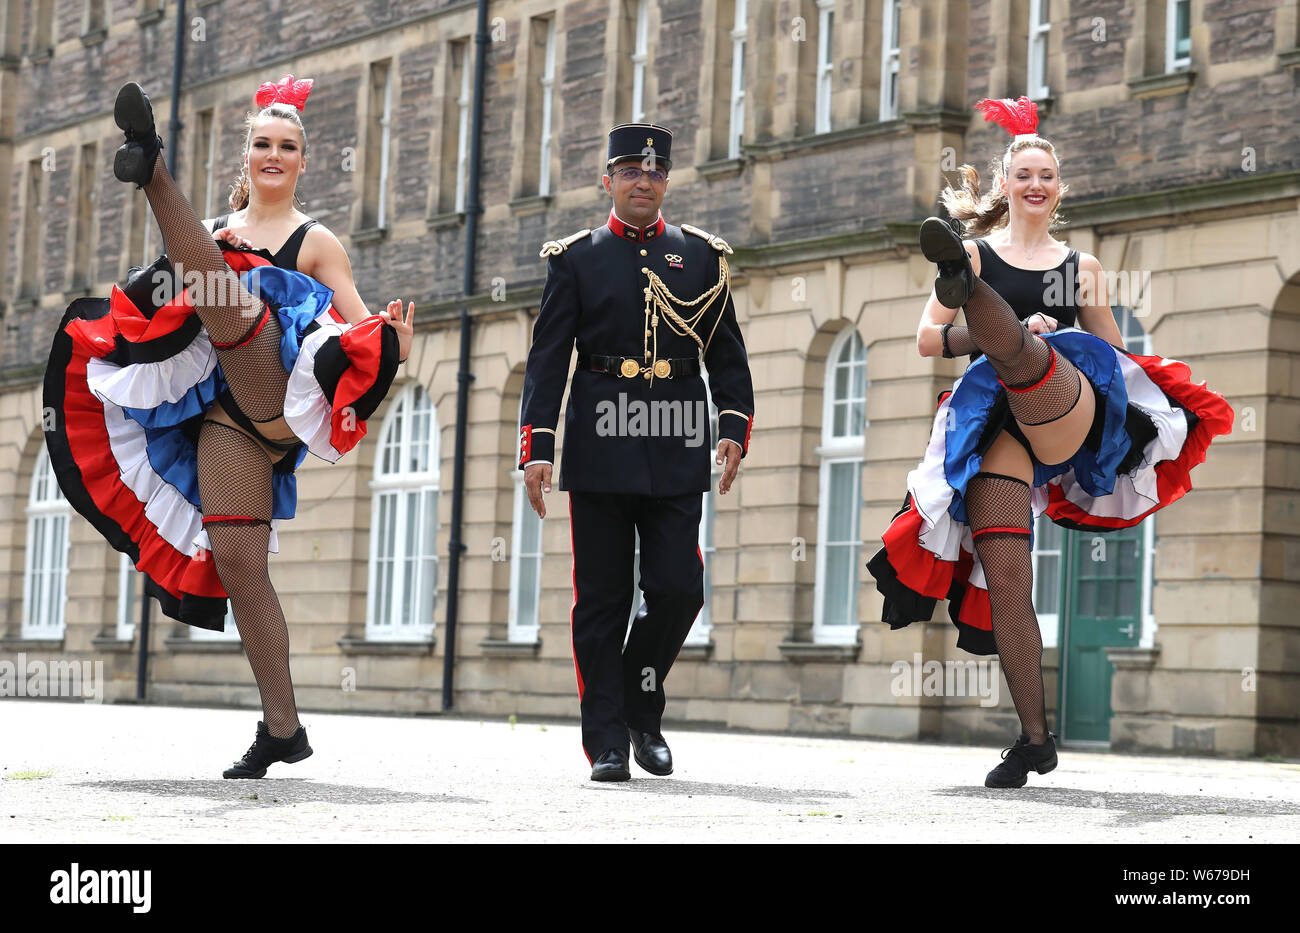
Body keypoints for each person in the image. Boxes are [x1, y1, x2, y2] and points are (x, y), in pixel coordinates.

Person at [43, 76, 413, 778]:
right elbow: (158, 303)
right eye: (263, 145)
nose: (274, 155)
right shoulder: (214, 233)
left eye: (288, 147)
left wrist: (394, 339)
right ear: (246, 158)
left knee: (231, 300)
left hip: (283, 390)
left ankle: (151, 167)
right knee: (240, 565)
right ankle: (283, 729)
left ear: (304, 162)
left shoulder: (316, 240)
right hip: (227, 419)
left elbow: (359, 327)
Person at [866, 97, 1234, 788]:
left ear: (1058, 190)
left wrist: (1145, 396)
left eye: (1047, 175)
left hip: (1067, 406)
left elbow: (1114, 353)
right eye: (1023, 173)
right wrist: (1001, 330)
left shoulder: (1082, 266)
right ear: (1004, 185)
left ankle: (1010, 331)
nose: (1035, 183)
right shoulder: (976, 248)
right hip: (995, 425)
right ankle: (1035, 739)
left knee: (1037, 354)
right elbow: (926, 341)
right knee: (1007, 581)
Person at [519, 123, 755, 781]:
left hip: (677, 438)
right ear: (609, 181)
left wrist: (732, 425)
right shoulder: (575, 258)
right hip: (599, 438)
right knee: (601, 597)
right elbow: (546, 363)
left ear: (666, 181)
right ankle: (610, 741)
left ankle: (638, 706)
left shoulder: (701, 257)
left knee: (679, 587)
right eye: (630, 171)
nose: (642, 182)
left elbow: (726, 352)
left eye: (653, 173)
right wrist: (537, 446)